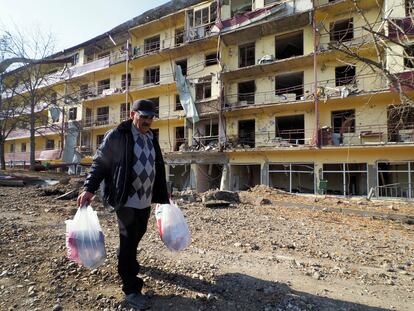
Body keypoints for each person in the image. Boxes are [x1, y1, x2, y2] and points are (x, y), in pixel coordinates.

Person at [77, 99, 169, 310]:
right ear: (132, 114)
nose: (147, 120)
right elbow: (100, 162)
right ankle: (131, 288)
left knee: (139, 232)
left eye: (150, 117)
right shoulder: (119, 135)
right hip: (126, 198)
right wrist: (89, 189)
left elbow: (157, 165)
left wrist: (164, 189)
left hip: (145, 198)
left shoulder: (150, 137)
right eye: (143, 116)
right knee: (128, 240)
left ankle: (125, 258)